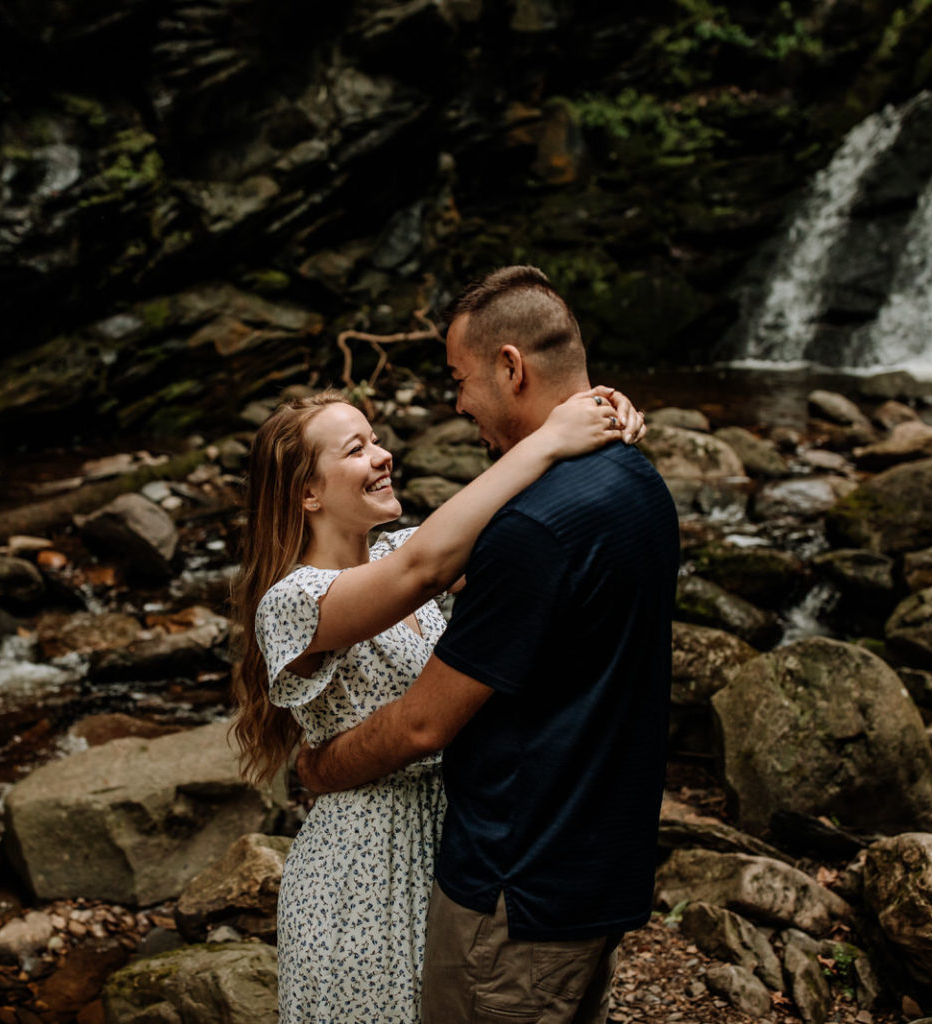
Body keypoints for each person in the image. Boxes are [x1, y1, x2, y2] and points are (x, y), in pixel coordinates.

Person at [296, 265, 681, 1024]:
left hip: (518, 881)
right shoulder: (639, 481)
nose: (457, 402)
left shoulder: (530, 530)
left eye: (460, 379)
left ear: (511, 368)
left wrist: (321, 766)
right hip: (601, 867)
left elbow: (422, 723)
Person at [230, 378, 645, 1023]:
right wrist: (550, 438)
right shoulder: (292, 601)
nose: (382, 456)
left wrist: (596, 414)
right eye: (355, 450)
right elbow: (424, 568)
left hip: (456, 840)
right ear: (307, 494)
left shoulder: (398, 547)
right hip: (365, 867)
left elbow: (523, 534)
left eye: (377, 440)